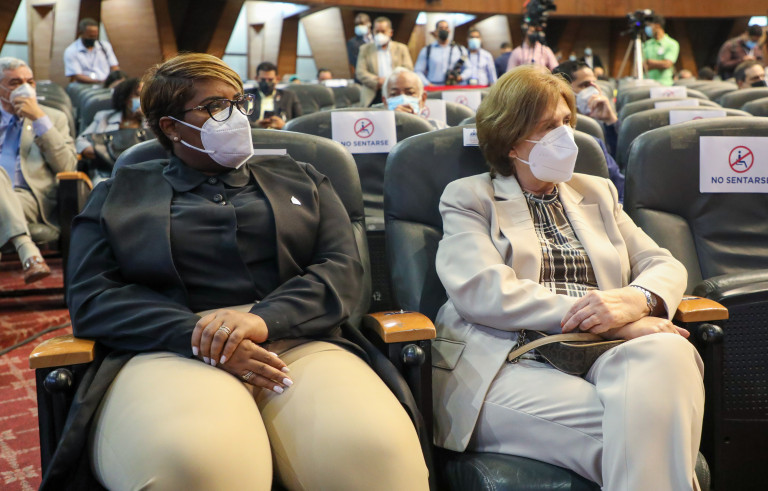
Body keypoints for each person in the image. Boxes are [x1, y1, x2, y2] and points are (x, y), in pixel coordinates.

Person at [43, 52, 429, 490]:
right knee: (196, 464)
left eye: (238, 102)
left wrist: (263, 319)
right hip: (168, 347)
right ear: (171, 127)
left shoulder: (303, 178)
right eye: (214, 107)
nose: (236, 116)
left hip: (300, 340)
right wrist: (199, 335)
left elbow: (342, 269)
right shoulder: (119, 193)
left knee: (374, 453)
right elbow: (92, 296)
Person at [432, 65, 704, 490]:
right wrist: (605, 318)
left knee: (670, 352)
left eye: (566, 122)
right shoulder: (470, 196)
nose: (564, 136)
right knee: (655, 433)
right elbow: (482, 292)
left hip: (606, 352)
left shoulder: (597, 191)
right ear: (509, 140)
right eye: (546, 127)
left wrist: (635, 301)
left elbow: (664, 264)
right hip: (510, 360)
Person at [0, 57, 76, 283]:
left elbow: (67, 167)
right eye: (15, 83)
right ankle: (28, 251)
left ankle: (26, 249)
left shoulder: (54, 118)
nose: (25, 87)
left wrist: (39, 120)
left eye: (30, 81)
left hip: (31, 197)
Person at [552, 60, 624, 199]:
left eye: (594, 84)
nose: (593, 90)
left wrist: (611, 121)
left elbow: (619, 171)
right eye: (585, 85)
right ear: (563, 89)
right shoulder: (552, 133)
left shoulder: (597, 126)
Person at [76, 77, 144, 181]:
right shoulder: (104, 117)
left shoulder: (151, 121)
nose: (142, 99)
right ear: (125, 98)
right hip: (108, 173)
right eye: (138, 95)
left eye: (145, 95)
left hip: (143, 172)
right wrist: (101, 153)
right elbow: (81, 141)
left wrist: (147, 117)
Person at [356, 16, 414, 106]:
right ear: (373, 31)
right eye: (377, 31)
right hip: (373, 93)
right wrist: (378, 81)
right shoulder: (365, 49)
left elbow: (408, 69)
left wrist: (391, 80)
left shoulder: (401, 48)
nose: (379, 35)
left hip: (396, 92)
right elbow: (360, 72)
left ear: (390, 33)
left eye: (383, 31)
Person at [382, 67, 447, 130]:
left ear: (423, 99)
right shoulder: (379, 131)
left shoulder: (438, 128)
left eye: (409, 93)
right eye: (394, 94)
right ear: (385, 102)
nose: (403, 99)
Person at [63, 18, 120, 84]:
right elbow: (76, 75)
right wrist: (99, 82)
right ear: (81, 33)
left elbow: (114, 67)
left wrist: (116, 79)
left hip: (106, 83)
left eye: (95, 36)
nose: (93, 39)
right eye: (90, 36)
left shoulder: (105, 46)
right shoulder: (71, 51)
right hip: (84, 85)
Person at [414, 20, 470, 86]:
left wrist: (461, 77)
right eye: (441, 28)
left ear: (449, 31)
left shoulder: (460, 49)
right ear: (436, 31)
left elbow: (469, 68)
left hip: (454, 87)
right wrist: (428, 84)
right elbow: (418, 71)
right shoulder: (427, 50)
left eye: (446, 28)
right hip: (433, 87)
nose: (444, 30)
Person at [248, 62, 302, 129]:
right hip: (255, 133)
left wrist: (284, 126)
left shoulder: (289, 96)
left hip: (281, 133)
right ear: (256, 78)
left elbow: (299, 123)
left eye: (270, 80)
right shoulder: (247, 96)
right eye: (263, 80)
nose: (266, 83)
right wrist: (255, 125)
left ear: (277, 79)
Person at [642, 15, 679, 86]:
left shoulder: (672, 44)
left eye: (649, 25)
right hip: (646, 84)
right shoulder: (646, 44)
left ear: (657, 25)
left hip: (664, 84)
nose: (647, 28)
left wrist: (650, 62)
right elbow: (640, 66)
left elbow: (667, 64)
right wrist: (659, 64)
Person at [347, 13, 373, 81]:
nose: (359, 26)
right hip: (362, 78)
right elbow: (354, 62)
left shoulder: (376, 39)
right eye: (357, 24)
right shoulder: (352, 43)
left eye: (361, 23)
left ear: (369, 24)